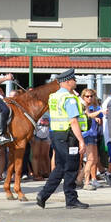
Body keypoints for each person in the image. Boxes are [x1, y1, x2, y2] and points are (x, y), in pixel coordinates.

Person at [36, 69, 88, 209]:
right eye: (74, 79)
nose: (75, 81)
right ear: (67, 81)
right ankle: (70, 199)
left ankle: (44, 195)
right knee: (70, 167)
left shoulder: (54, 96)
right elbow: (73, 121)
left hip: (57, 134)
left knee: (60, 166)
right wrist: (81, 141)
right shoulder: (69, 99)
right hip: (68, 136)